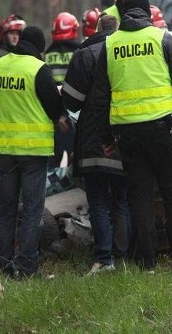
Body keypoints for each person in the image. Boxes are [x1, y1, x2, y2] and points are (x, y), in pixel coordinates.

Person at [93, 0, 172, 271]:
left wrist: (106, 137)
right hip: (163, 131)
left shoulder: (110, 45)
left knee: (140, 197)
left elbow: (100, 97)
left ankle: (147, 261)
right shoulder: (162, 39)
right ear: (147, 13)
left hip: (128, 135)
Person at [0, 25, 68, 279]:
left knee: (6, 211)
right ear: (38, 48)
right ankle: (26, 267)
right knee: (33, 212)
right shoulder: (38, 69)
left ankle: (2, 264)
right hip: (33, 152)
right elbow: (55, 108)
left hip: (5, 150)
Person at [62, 14, 131, 275]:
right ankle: (123, 257)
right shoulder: (127, 53)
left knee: (99, 201)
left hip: (93, 138)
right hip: (125, 134)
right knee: (123, 201)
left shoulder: (86, 54)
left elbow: (71, 100)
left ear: (97, 29)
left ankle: (104, 259)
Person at [45, 12, 81, 168]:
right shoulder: (79, 53)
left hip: (53, 120)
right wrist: (67, 115)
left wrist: (57, 116)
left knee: (51, 166)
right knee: (75, 164)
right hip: (73, 119)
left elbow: (45, 89)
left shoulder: (46, 56)